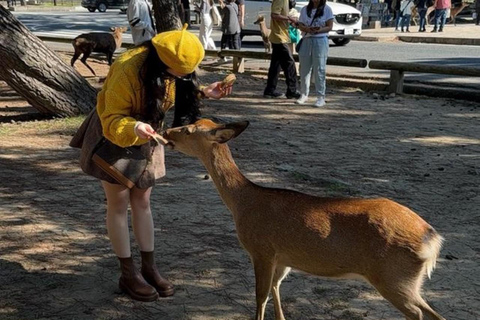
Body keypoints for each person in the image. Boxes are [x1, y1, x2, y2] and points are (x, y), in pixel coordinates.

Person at [69, 25, 233, 302]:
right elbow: (112, 118)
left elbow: (170, 89)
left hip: (148, 133)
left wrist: (203, 92)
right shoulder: (126, 68)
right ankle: (128, 273)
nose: (184, 77)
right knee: (118, 204)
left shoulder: (168, 67)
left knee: (143, 202)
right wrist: (134, 128)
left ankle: (149, 267)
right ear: (163, 62)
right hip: (116, 134)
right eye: (179, 72)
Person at [292, 0, 333, 107]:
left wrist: (319, 30)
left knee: (319, 68)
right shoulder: (305, 9)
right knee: (304, 68)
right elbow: (300, 24)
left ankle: (320, 97)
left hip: (320, 40)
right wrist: (306, 29)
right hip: (306, 39)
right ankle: (304, 94)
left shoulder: (327, 9)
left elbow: (329, 26)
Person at [263, 0, 301, 99]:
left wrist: (290, 21)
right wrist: (290, 18)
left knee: (276, 65)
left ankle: (269, 90)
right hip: (279, 37)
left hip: (281, 35)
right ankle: (291, 91)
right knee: (290, 63)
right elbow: (274, 15)